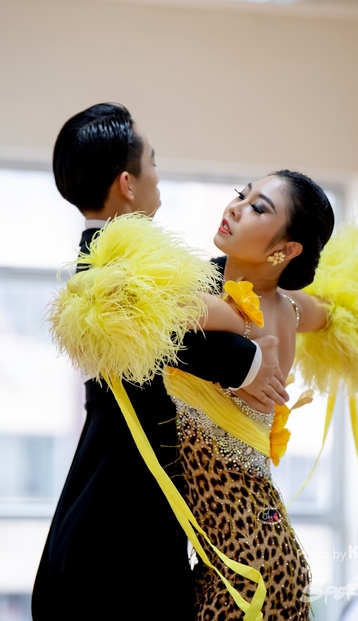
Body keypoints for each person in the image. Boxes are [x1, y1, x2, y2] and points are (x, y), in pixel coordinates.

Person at [31, 103, 290, 621]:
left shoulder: (144, 265)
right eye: (152, 161)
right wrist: (245, 351)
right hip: (112, 540)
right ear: (127, 184)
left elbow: (199, 296)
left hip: (129, 529)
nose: (157, 172)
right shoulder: (99, 274)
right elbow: (165, 330)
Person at [163, 170, 334, 620]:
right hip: (262, 549)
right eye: (242, 194)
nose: (235, 208)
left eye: (258, 207)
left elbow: (153, 304)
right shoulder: (292, 307)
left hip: (244, 572)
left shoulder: (234, 311)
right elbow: (330, 311)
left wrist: (232, 317)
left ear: (288, 249)